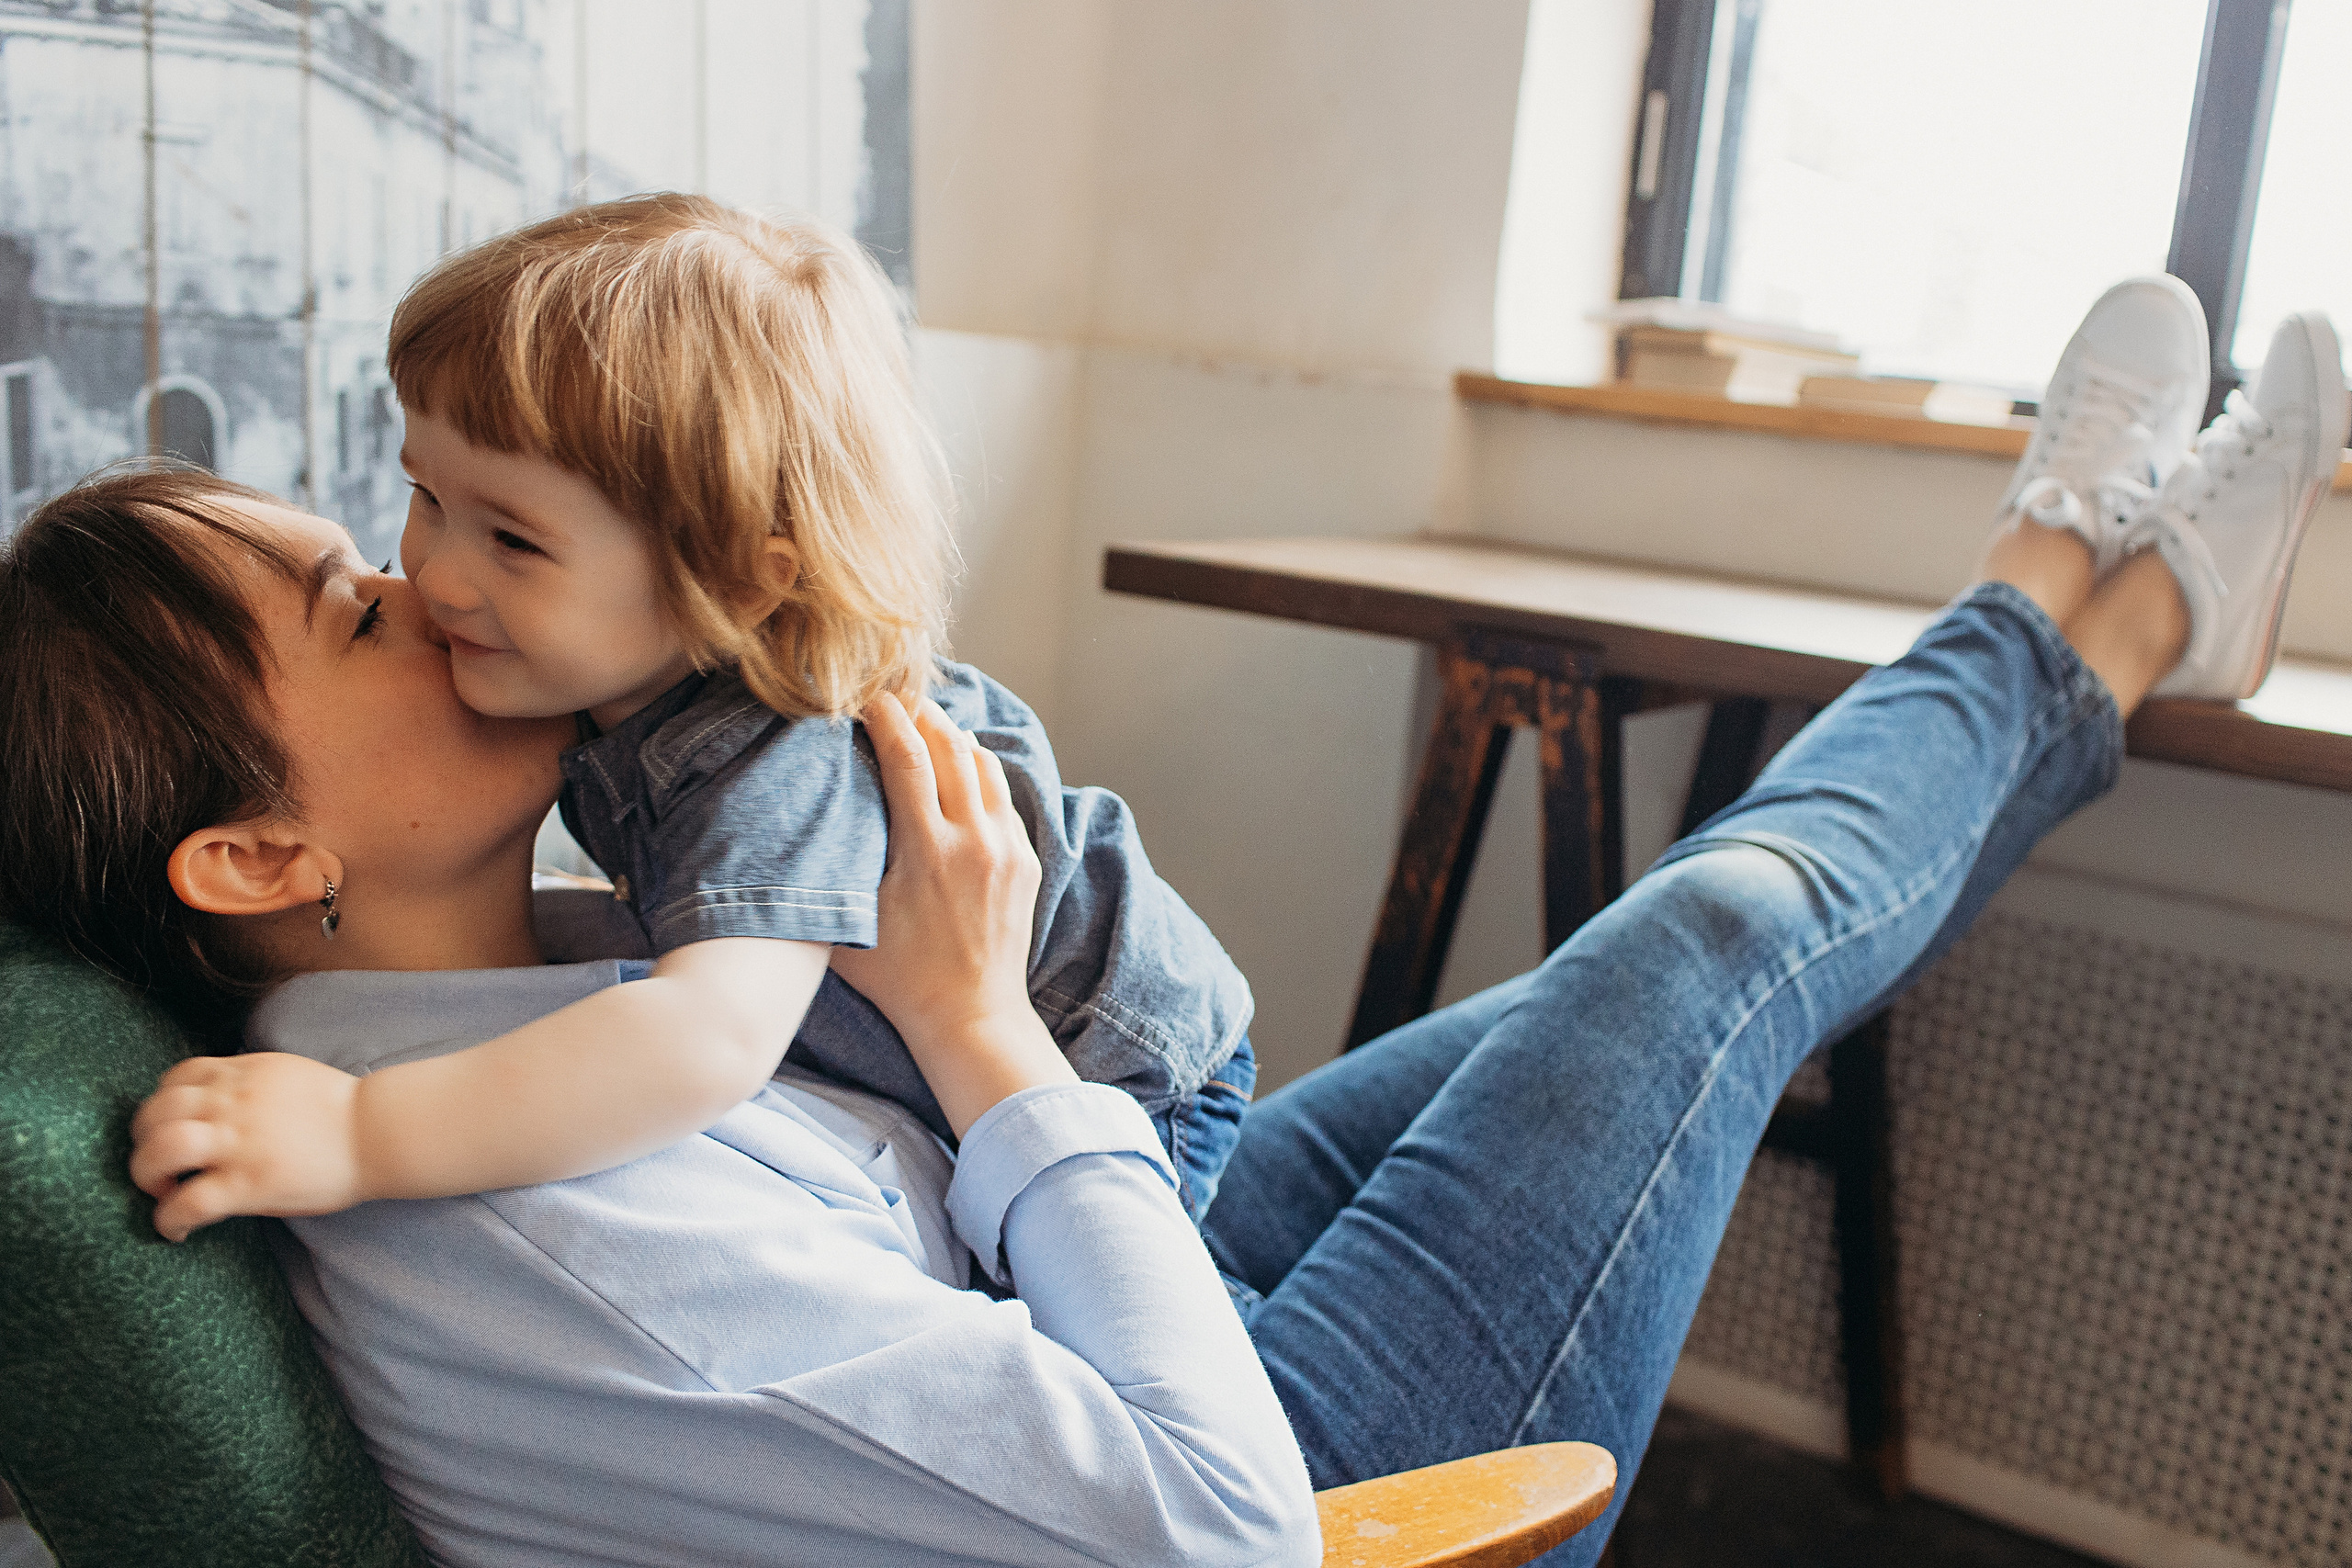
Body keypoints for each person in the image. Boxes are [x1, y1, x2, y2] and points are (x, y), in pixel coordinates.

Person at [0, 277, 2336, 1567]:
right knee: (1715, 927)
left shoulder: (522, 980)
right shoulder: (525, 1200)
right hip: (1291, 1485)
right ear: (250, 855)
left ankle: (2107, 582)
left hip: (1096, 1279)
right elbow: (1214, 1532)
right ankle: (2076, 596)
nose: (425, 582)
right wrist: (984, 1028)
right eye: (353, 593)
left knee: (1620, 970)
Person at [117, 194, 1255, 1247]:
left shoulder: (772, 748)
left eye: (512, 540)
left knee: (1093, 1294)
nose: (434, 575)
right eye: (426, 498)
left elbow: (703, 1040)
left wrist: (362, 1135)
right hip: (1020, 1052)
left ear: (742, 581)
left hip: (1123, 1072)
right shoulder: (628, 690)